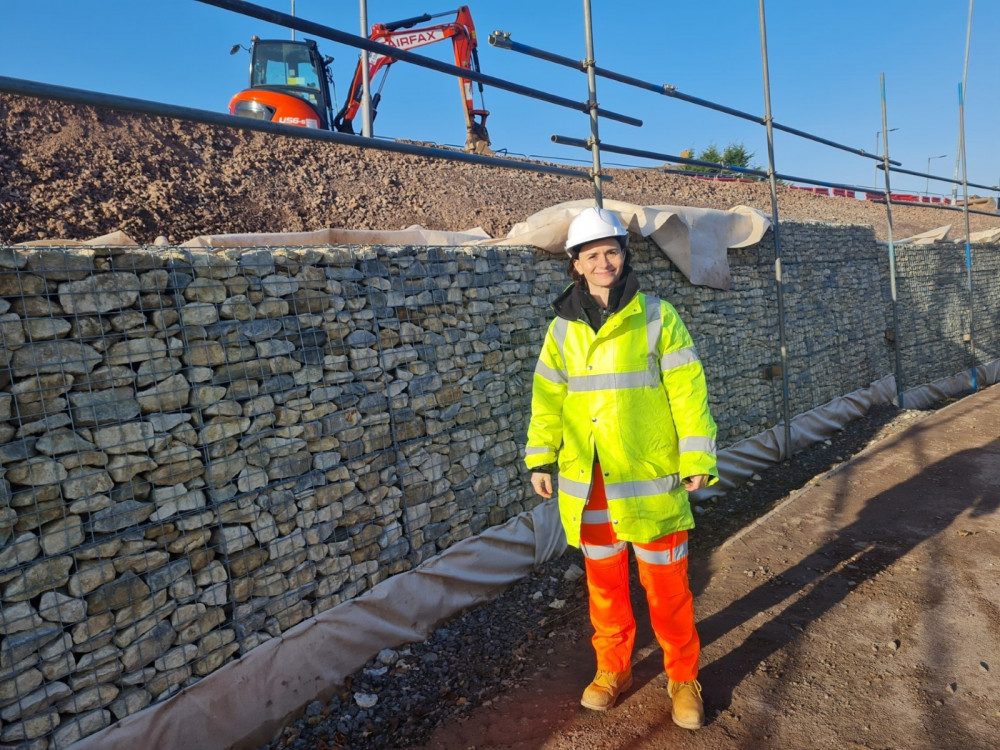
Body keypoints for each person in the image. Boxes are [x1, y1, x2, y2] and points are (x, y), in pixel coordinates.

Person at [524, 206, 718, 730]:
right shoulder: (561, 329)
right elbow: (548, 398)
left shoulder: (659, 316)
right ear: (577, 265)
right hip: (590, 485)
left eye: (611, 251)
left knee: (668, 587)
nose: (603, 262)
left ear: (624, 256)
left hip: (649, 476)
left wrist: (697, 455)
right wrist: (541, 456)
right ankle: (613, 670)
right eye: (592, 255)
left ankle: (683, 678)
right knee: (604, 586)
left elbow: (688, 390)